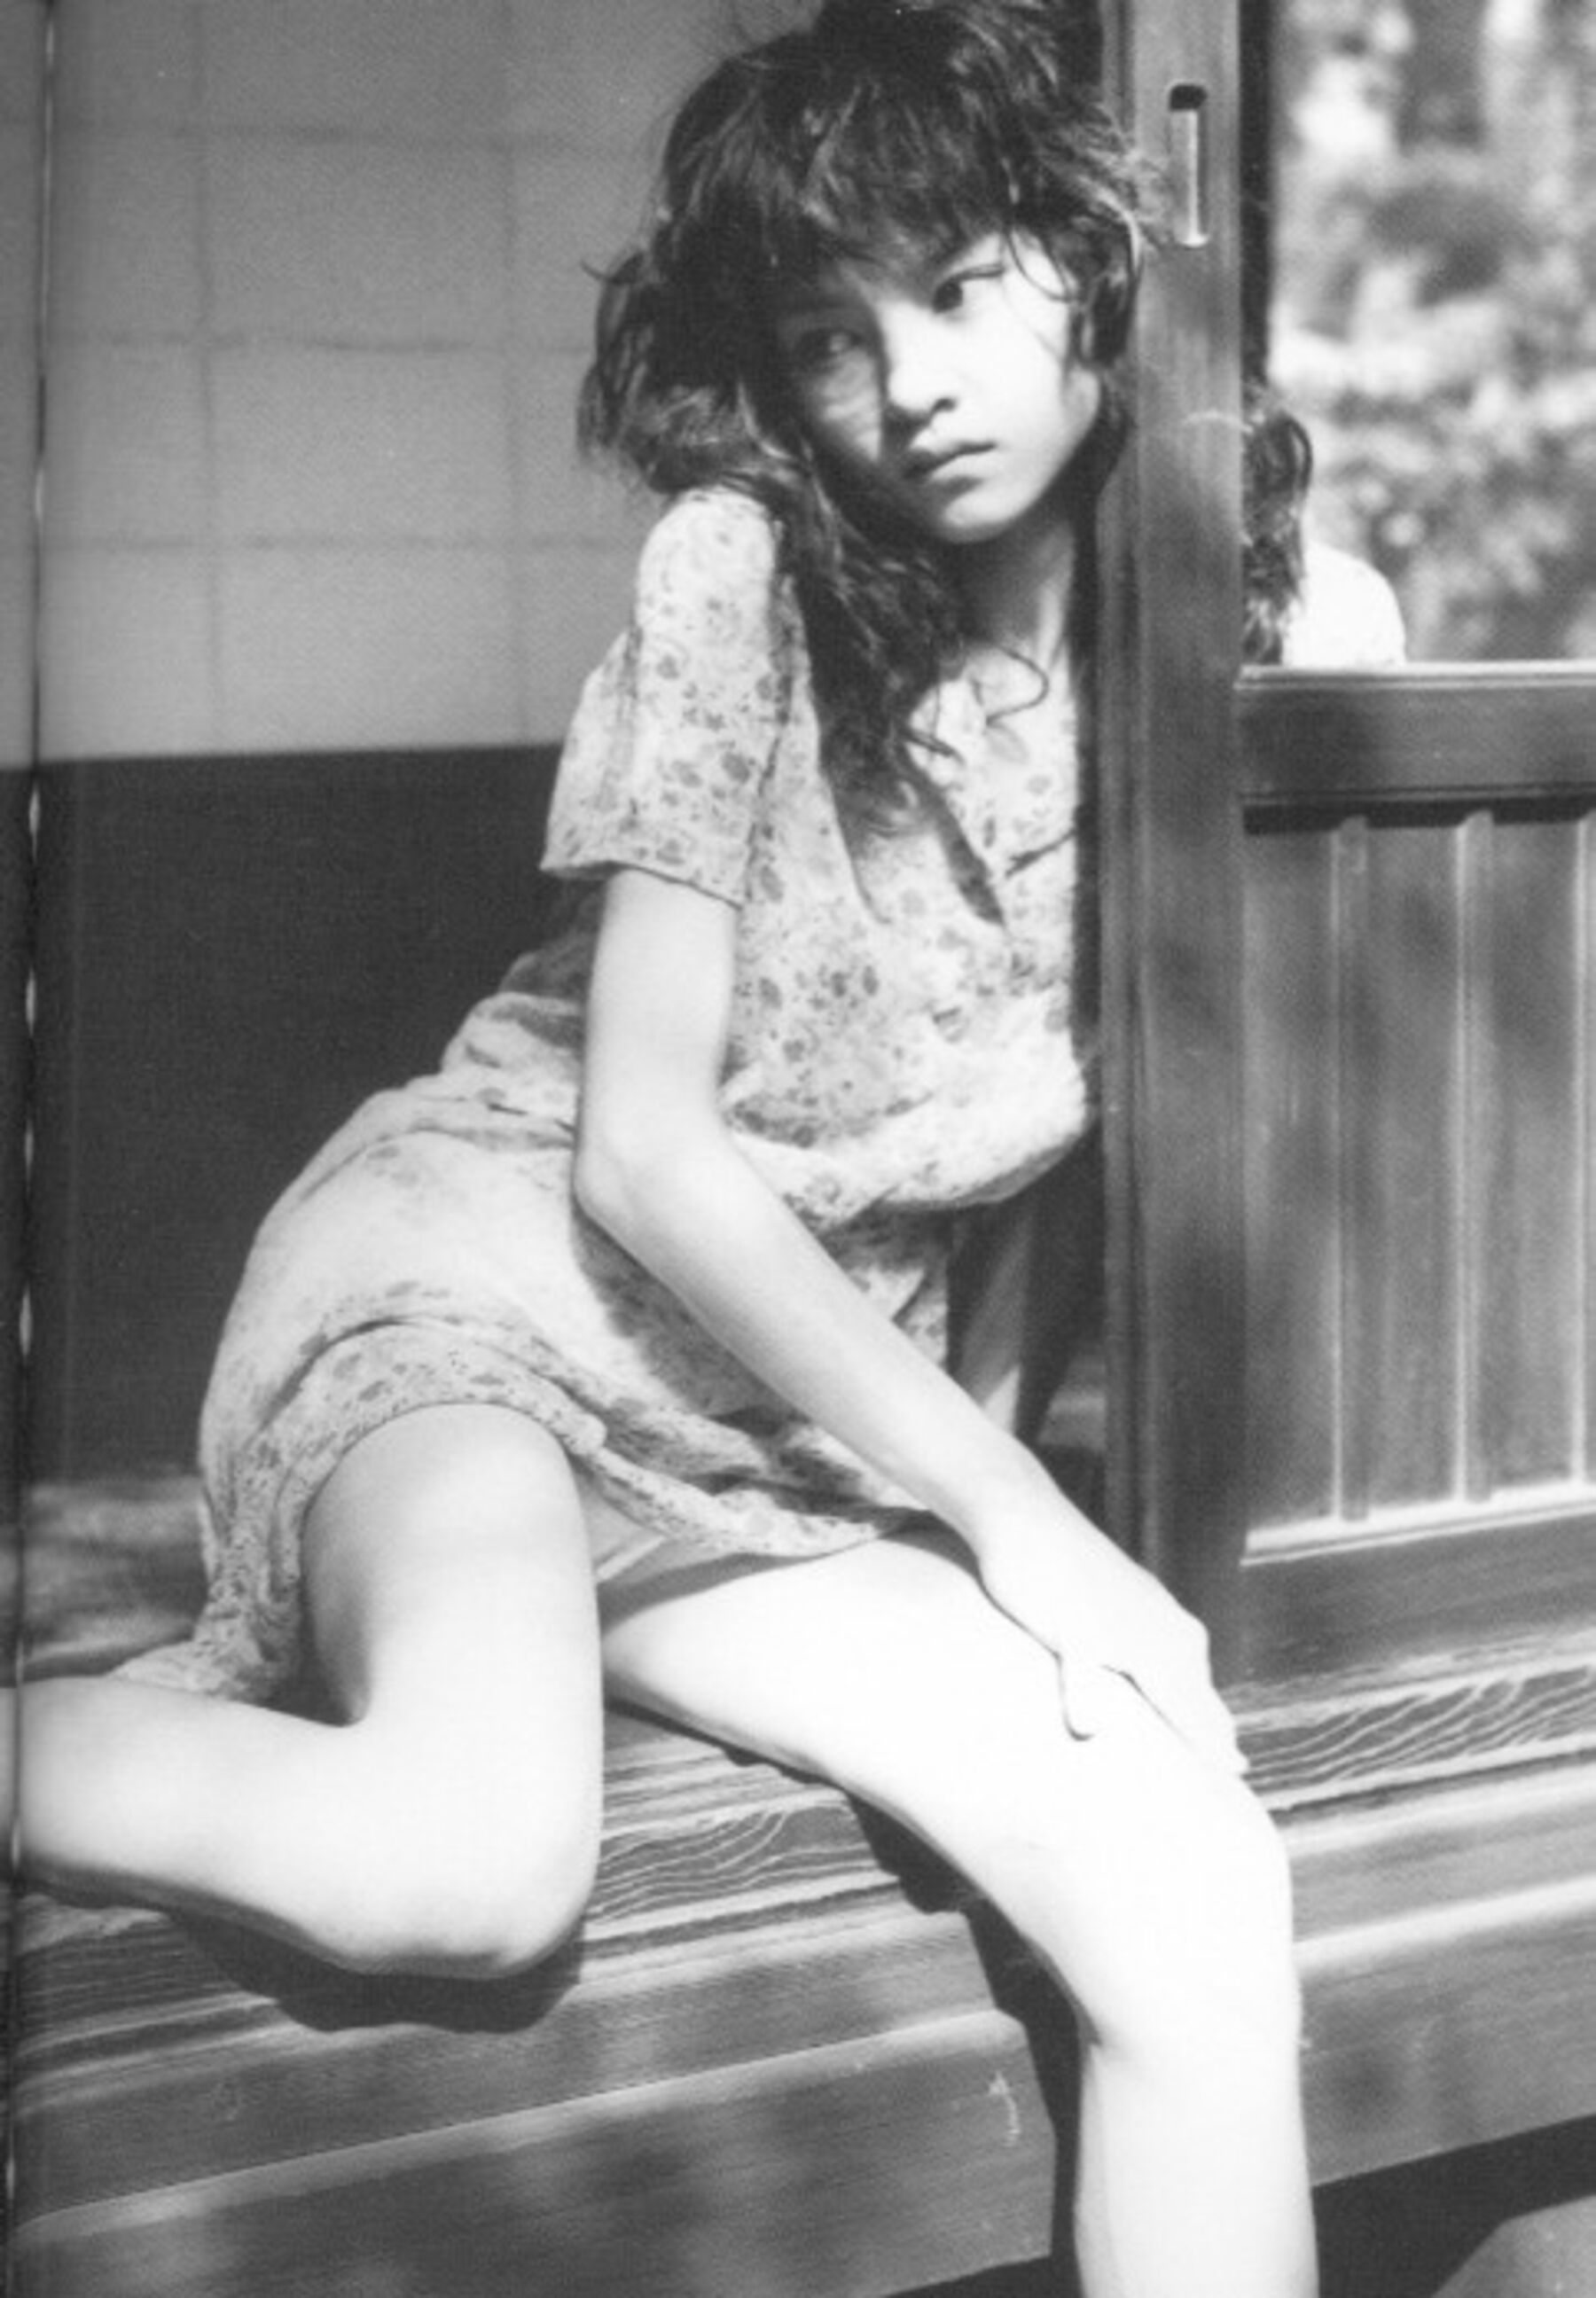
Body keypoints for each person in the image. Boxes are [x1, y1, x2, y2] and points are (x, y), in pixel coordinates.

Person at [14, 5, 1318, 2292]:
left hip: (775, 1426)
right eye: (828, 336)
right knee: (470, 1861)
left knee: (1193, 1886)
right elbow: (637, 1153)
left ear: (1090, 254)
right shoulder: (742, 572)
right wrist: (1016, 1518)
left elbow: (1048, 1179)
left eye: (957, 283)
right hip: (483, 1296)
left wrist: (963, 1510)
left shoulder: (1216, 623)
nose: (908, 381)